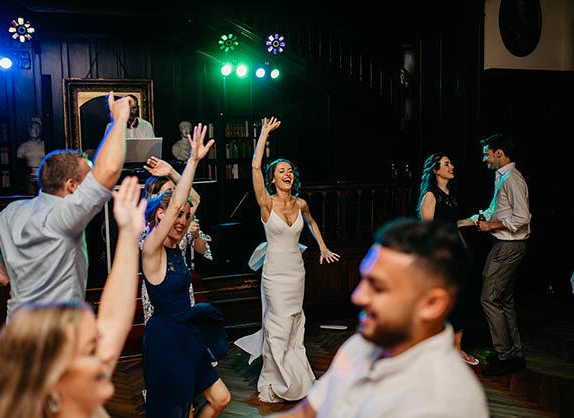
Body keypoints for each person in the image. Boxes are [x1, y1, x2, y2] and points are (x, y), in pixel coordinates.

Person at [268, 218, 490, 418]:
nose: (357, 297)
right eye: (364, 280)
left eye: (378, 287)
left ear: (432, 304)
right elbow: (306, 413)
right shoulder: (363, 343)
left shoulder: (441, 402)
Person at [0, 175, 147, 418]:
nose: (108, 353)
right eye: (89, 350)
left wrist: (128, 233)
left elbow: (114, 319)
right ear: (51, 377)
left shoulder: (82, 403)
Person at [0, 93, 133, 320]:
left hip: (18, 329)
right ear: (71, 185)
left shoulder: (12, 212)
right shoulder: (63, 215)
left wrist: (8, 281)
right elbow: (108, 171)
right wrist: (120, 119)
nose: (93, 181)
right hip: (56, 333)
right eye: (88, 178)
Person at [235, 116, 340, 403]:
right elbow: (255, 166)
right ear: (273, 178)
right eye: (282, 171)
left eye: (290, 170)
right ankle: (277, 379)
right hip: (275, 273)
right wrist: (264, 134)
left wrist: (322, 247)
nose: (287, 173)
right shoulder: (266, 203)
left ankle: (298, 377)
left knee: (295, 321)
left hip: (296, 270)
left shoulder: (301, 203)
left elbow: (311, 223)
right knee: (278, 321)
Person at [140, 123, 231, 418]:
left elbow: (190, 200)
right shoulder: (151, 246)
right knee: (177, 410)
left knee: (221, 398)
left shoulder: (177, 246)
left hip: (188, 332)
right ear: (162, 215)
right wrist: (192, 160)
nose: (184, 220)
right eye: (177, 216)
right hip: (166, 339)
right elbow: (181, 200)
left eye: (186, 217)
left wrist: (175, 172)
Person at [460, 133, 531, 376]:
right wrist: (462, 222)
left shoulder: (511, 179)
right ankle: (514, 354)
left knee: (489, 298)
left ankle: (505, 356)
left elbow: (522, 218)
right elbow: (493, 210)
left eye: (486, 154)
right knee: (504, 300)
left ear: (499, 153)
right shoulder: (503, 177)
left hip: (508, 247)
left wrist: (491, 226)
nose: (484, 159)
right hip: (510, 247)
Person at [416, 152, 478, 366]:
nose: (452, 166)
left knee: (461, 301)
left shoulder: (450, 195)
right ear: (435, 170)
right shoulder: (431, 195)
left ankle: (457, 348)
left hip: (457, 256)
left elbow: (451, 224)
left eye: (451, 163)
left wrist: (468, 225)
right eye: (446, 164)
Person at [139, 156, 213, 318]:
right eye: (168, 193)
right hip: (159, 289)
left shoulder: (182, 222)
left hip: (181, 281)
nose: (175, 197)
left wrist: (172, 172)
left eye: (175, 191)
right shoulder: (147, 227)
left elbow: (195, 199)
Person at [16, 117, 45, 195]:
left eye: (37, 128)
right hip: (29, 176)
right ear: (29, 130)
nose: (35, 130)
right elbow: (19, 166)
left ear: (41, 130)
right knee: (30, 198)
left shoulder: (45, 145)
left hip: (44, 175)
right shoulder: (23, 147)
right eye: (32, 128)